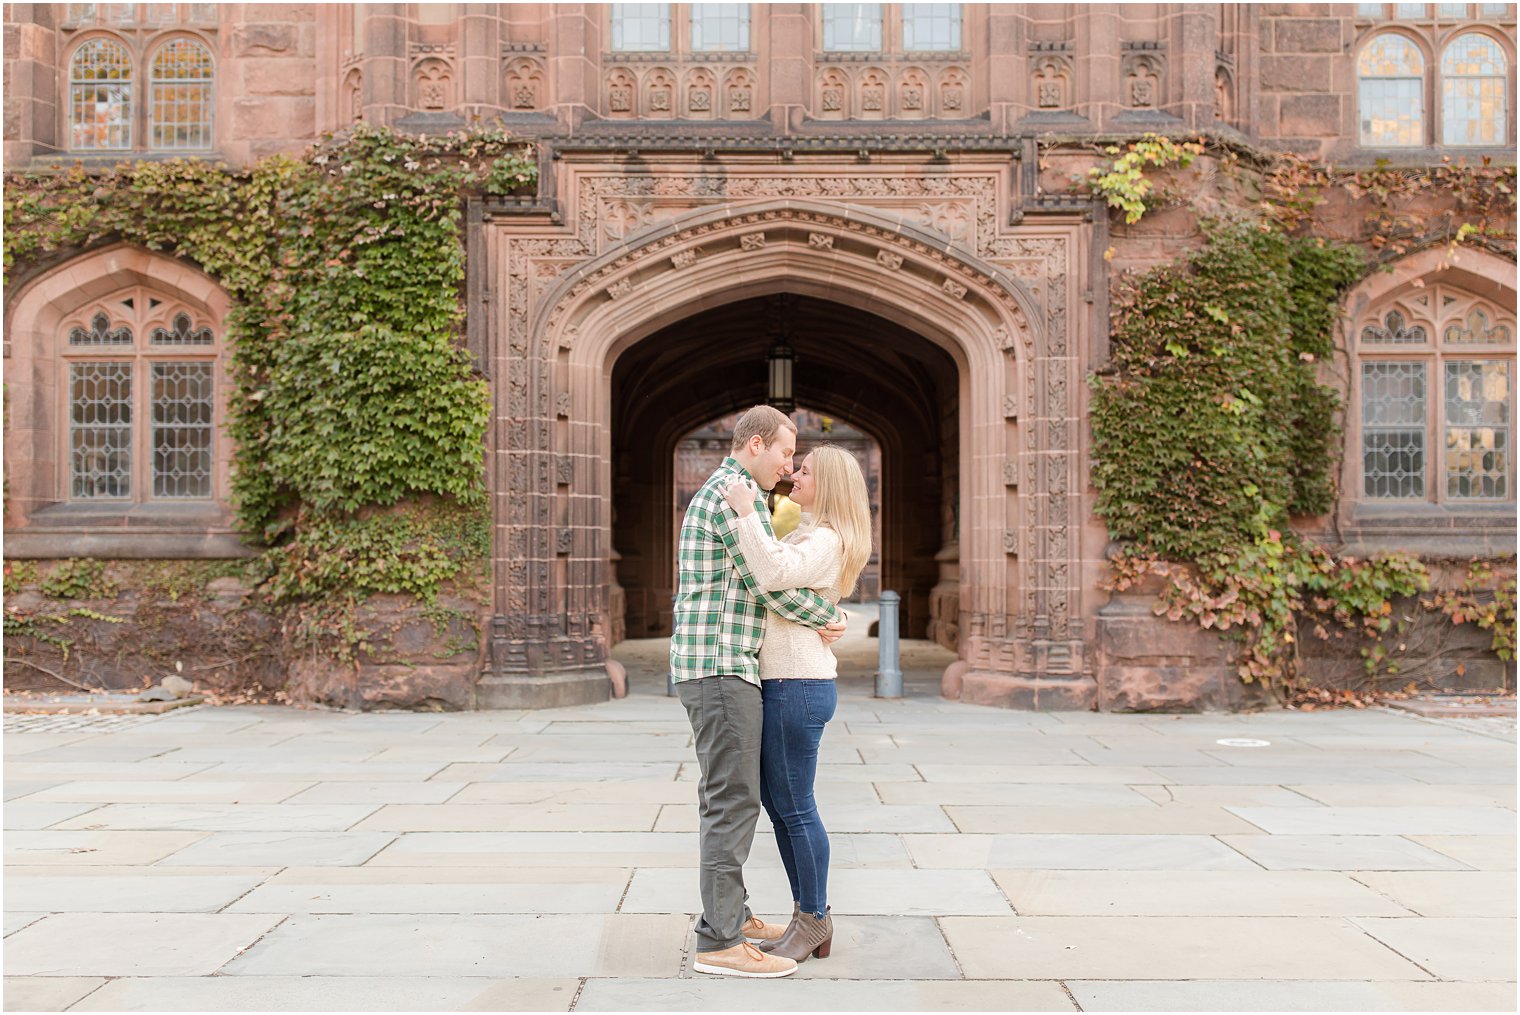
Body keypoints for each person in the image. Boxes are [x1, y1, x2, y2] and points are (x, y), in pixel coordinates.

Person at [671, 405, 848, 979]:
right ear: (754, 444)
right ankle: (720, 941)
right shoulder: (731, 494)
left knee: (732, 795)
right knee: (733, 800)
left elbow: (763, 574)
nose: (790, 467)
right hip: (720, 667)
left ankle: (733, 916)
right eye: (785, 453)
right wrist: (827, 614)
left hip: (726, 664)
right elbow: (766, 583)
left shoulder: (740, 495)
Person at [719, 444, 872, 964]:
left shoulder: (827, 538)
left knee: (796, 808)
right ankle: (809, 917)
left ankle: (814, 917)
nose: (794, 475)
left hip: (797, 683)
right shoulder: (813, 533)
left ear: (827, 483)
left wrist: (745, 512)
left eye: (805, 470)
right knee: (785, 808)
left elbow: (773, 574)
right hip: (789, 680)